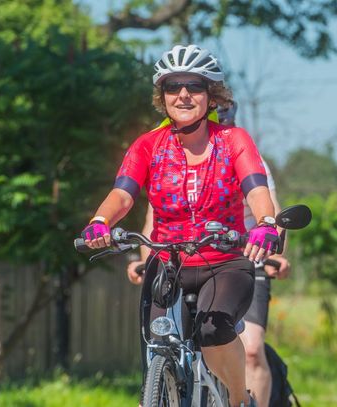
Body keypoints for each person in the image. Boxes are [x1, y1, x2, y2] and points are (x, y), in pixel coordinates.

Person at [80, 44, 280, 407]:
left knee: (212, 330)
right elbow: (123, 194)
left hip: (223, 263)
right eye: (173, 86)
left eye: (194, 85)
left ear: (212, 95)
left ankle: (239, 399)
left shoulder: (233, 141)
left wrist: (266, 223)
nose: (183, 94)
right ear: (163, 96)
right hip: (167, 265)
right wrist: (100, 220)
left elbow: (255, 189)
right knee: (157, 344)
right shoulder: (147, 146)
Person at [127, 101, 291, 407]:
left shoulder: (245, 154)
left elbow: (273, 212)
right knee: (167, 340)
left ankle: (243, 400)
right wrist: (144, 258)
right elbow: (155, 218)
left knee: (252, 350)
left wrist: (275, 248)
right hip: (186, 258)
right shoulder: (173, 159)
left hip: (246, 255)